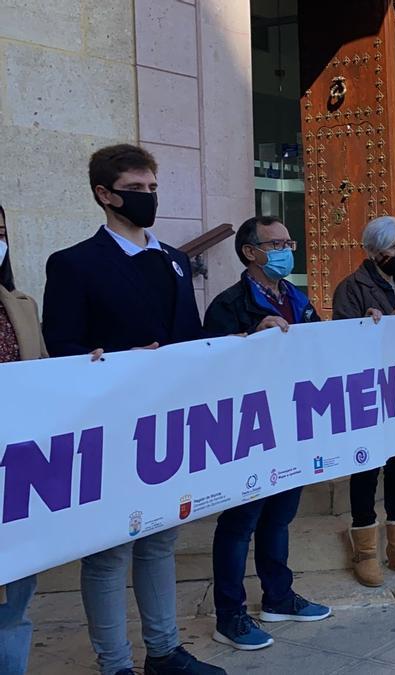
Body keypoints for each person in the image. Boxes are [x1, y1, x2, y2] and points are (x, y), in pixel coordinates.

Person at [40, 144, 223, 674]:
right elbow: (64, 350)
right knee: (108, 552)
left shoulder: (173, 261)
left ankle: (163, 652)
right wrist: (114, 362)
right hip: (109, 428)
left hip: (167, 424)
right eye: (136, 189)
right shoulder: (74, 264)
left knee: (160, 540)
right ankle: (115, 664)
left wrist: (246, 338)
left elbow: (190, 338)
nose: (148, 198)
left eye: (152, 188)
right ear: (105, 194)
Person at [203, 217, 331, 650]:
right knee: (241, 522)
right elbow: (210, 364)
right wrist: (247, 338)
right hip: (248, 430)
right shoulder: (229, 304)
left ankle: (278, 596)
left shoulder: (297, 297)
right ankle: (230, 615)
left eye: (288, 241)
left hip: (292, 423)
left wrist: (368, 325)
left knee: (280, 517)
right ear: (249, 252)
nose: (285, 250)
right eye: (275, 243)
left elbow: (322, 348)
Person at [331, 215, 395, 586]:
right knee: (366, 471)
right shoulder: (351, 287)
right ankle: (366, 551)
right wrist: (368, 321)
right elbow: (342, 338)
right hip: (368, 395)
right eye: (391, 247)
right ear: (372, 250)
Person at [0, 204, 69, 675]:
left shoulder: (20, 305)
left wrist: (84, 369)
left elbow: (44, 376)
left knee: (13, 609)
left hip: (15, 480)